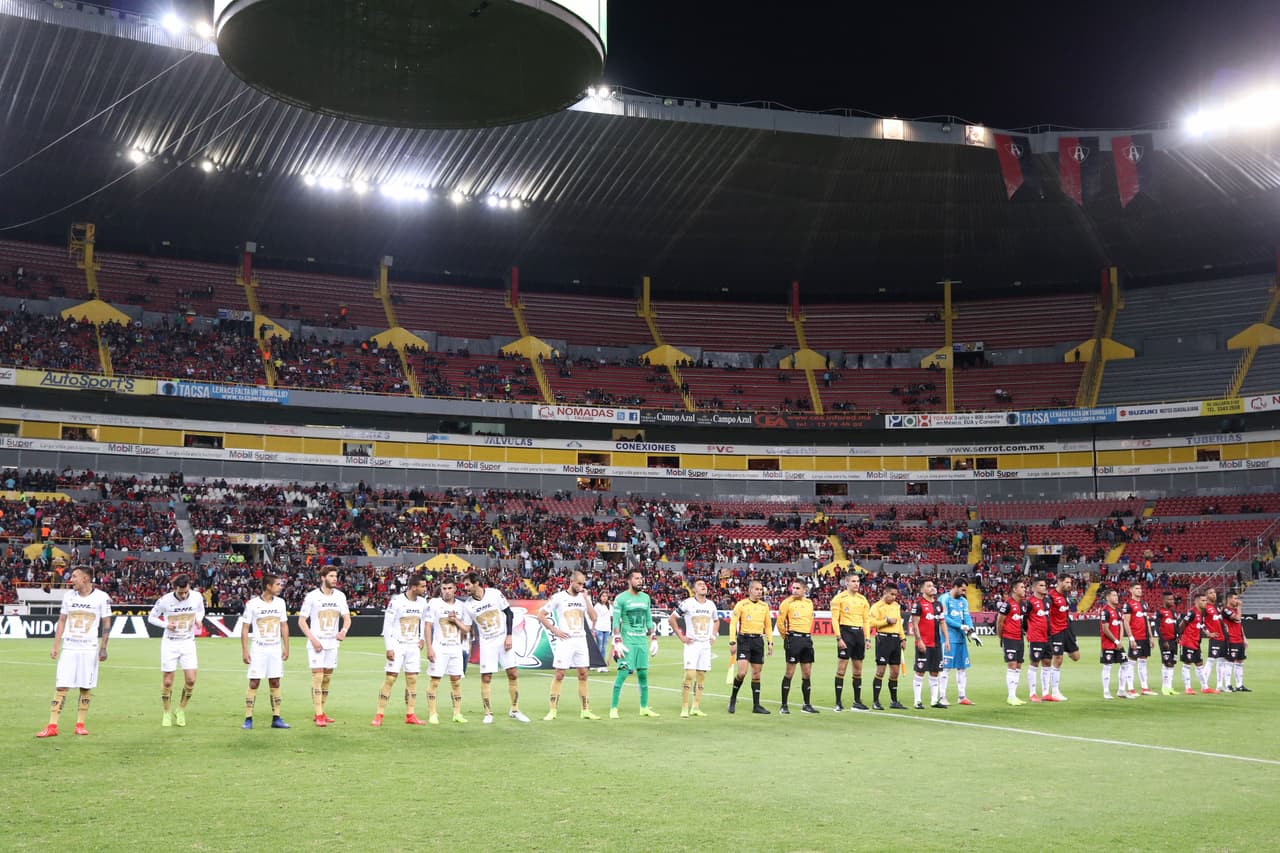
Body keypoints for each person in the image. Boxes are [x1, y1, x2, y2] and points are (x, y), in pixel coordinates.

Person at [36, 566, 111, 738]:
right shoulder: (68, 596)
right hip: (69, 647)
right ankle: (52, 725)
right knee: (61, 685)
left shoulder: (101, 598)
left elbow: (106, 624)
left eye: (75, 576)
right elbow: (62, 621)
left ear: (85, 578)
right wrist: (56, 646)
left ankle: (80, 724)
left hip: (89, 648)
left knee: (85, 686)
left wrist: (104, 648)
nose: (72, 579)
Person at [462, 571, 531, 724]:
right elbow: (466, 628)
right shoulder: (468, 605)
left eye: (467, 584)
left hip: (503, 640)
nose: (465, 588)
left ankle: (515, 709)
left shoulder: (494, 594)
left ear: (477, 583)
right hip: (487, 644)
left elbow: (509, 614)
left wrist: (509, 636)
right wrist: (454, 621)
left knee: (513, 674)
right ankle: (488, 713)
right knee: (486, 677)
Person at [537, 570, 599, 720]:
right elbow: (541, 615)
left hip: (581, 640)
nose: (581, 586)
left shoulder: (584, 597)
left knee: (583, 674)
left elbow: (594, 617)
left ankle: (585, 710)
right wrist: (554, 630)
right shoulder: (559, 597)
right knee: (559, 674)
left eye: (583, 584)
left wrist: (587, 599)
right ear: (571, 582)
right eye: (579, 583)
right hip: (565, 641)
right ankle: (552, 710)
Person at [147, 573, 205, 727]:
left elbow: (200, 610)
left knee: (191, 679)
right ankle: (166, 713)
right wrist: (165, 625)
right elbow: (151, 618)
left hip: (188, 642)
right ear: (174, 589)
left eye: (186, 591)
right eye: (181, 592)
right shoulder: (164, 601)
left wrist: (199, 620)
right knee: (167, 681)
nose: (184, 595)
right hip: (170, 644)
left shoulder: (197, 596)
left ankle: (180, 710)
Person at [297, 567, 352, 727]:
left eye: (336, 576)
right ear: (322, 577)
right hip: (317, 643)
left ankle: (321, 711)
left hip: (332, 644)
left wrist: (343, 631)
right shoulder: (312, 597)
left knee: (327, 678)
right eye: (331, 576)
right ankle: (319, 714)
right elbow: (302, 621)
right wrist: (313, 640)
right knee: (318, 677)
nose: (335, 579)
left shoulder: (340, 596)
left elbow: (347, 619)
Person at [373, 572, 429, 726]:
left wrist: (421, 638)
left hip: (413, 646)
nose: (425, 589)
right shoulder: (396, 602)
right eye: (422, 586)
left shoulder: (423, 603)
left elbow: (423, 620)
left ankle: (410, 714)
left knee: (412, 680)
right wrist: (389, 647)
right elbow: (387, 625)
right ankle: (379, 714)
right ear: (413, 587)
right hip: (397, 644)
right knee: (390, 679)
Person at [240, 573, 290, 730]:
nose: (280, 587)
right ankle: (248, 718)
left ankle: (277, 717)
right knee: (254, 682)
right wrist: (245, 650)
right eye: (277, 584)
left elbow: (284, 625)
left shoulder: (280, 603)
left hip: (274, 648)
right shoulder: (253, 604)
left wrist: (286, 646)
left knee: (275, 681)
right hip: (259, 648)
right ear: (268, 586)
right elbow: (245, 627)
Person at [610, 569, 660, 718]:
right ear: (629, 581)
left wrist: (653, 635)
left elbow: (649, 618)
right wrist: (617, 639)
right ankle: (613, 708)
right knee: (623, 674)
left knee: (643, 675)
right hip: (627, 642)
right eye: (637, 578)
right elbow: (616, 620)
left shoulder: (645, 598)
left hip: (641, 642)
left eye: (641, 578)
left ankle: (644, 707)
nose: (640, 581)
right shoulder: (621, 598)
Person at [424, 577, 473, 724]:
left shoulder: (462, 606)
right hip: (439, 648)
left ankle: (457, 713)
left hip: (455, 649)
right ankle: (433, 713)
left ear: (455, 589)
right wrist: (430, 648)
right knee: (434, 681)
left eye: (449, 588)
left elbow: (467, 628)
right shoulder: (434, 603)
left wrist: (455, 620)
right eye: (444, 588)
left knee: (456, 682)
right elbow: (427, 626)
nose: (446, 591)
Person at [670, 579, 719, 717]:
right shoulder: (688, 603)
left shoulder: (711, 605)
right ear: (694, 590)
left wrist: (713, 636)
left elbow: (716, 621)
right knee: (690, 675)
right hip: (692, 644)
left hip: (705, 645)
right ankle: (684, 707)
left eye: (704, 584)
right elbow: (672, 618)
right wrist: (681, 636)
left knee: (701, 676)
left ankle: (695, 707)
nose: (704, 586)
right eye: (700, 585)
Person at [728, 580, 773, 715]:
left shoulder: (764, 606)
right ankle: (733, 698)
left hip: (758, 641)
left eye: (761, 589)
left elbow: (768, 626)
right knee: (742, 672)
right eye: (757, 589)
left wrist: (770, 642)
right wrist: (732, 641)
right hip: (744, 640)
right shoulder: (741, 605)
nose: (760, 592)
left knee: (756, 674)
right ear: (750, 590)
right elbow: (733, 623)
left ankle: (756, 705)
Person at [776, 578, 819, 714]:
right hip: (793, 639)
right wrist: (787, 637)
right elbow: (780, 623)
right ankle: (784, 705)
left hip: (806, 639)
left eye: (797, 588)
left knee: (806, 674)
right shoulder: (786, 603)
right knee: (789, 673)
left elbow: (810, 620)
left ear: (804, 590)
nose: (794, 590)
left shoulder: (809, 603)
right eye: (793, 588)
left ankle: (807, 705)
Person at [830, 572, 871, 711]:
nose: (856, 584)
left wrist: (867, 638)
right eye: (853, 581)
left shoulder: (863, 599)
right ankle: (837, 702)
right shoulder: (839, 598)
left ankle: (857, 701)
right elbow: (834, 619)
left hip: (858, 634)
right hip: (846, 633)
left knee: (858, 670)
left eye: (858, 581)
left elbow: (866, 620)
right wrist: (839, 637)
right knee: (841, 669)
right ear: (846, 583)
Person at [909, 579, 949, 709]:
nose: (932, 588)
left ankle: (933, 700)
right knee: (920, 671)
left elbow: (942, 622)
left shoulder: (938, 605)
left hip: (936, 644)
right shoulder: (919, 605)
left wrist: (947, 640)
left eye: (932, 585)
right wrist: (919, 640)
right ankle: (917, 701)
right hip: (923, 643)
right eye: (928, 586)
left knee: (935, 671)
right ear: (922, 590)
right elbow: (914, 624)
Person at [868, 585, 907, 710]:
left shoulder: (896, 606)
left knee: (895, 672)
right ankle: (875, 701)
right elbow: (871, 623)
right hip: (883, 639)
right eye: (892, 594)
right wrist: (887, 621)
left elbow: (899, 623)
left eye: (896, 595)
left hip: (895, 640)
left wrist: (903, 638)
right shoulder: (876, 606)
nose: (894, 597)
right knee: (881, 671)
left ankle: (894, 701)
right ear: (885, 593)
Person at [940, 577, 975, 706]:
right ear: (955, 586)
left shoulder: (963, 601)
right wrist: (960, 626)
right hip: (948, 637)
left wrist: (972, 630)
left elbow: (967, 616)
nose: (964, 592)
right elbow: (944, 618)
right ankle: (942, 696)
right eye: (962, 589)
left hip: (961, 638)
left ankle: (962, 696)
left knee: (962, 667)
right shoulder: (944, 599)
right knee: (946, 667)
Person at [1046, 575, 1080, 701]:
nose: (1069, 584)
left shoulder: (1065, 595)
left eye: (1070, 582)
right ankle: (1055, 691)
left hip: (1067, 629)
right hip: (1056, 631)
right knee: (1058, 660)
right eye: (1067, 582)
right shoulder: (1051, 596)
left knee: (1076, 657)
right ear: (1059, 582)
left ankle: (1062, 650)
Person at [995, 577, 1027, 706]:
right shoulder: (1007, 604)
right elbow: (999, 621)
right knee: (1012, 665)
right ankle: (1011, 696)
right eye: (1022, 587)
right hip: (1009, 638)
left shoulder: (1023, 604)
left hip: (1019, 638)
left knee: (1018, 666)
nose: (1024, 589)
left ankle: (1014, 695)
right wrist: (1001, 637)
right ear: (1015, 589)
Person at [1122, 581, 1156, 696]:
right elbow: (1126, 622)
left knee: (1143, 662)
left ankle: (1144, 688)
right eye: (1137, 588)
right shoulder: (1128, 604)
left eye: (1140, 588)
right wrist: (1131, 638)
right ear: (1131, 590)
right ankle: (1130, 689)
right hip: (1136, 637)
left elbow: (1146, 621)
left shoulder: (1144, 604)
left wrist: (1151, 637)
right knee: (1131, 662)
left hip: (1145, 637)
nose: (1139, 590)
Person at [1176, 592, 1214, 694]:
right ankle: (1188, 688)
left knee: (1200, 664)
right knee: (1187, 664)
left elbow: (1200, 625)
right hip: (1188, 642)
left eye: (1206, 600)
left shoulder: (1202, 613)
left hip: (1196, 643)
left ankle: (1205, 687)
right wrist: (1178, 636)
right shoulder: (1192, 612)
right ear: (1196, 601)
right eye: (1203, 600)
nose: (1205, 602)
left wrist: (1207, 633)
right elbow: (1182, 624)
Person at [1098, 588, 1132, 700]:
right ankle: (1106, 691)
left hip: (1118, 644)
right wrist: (1116, 641)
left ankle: (1121, 690)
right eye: (1113, 595)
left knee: (1125, 664)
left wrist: (1121, 640)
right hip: (1108, 644)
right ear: (1107, 597)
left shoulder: (1118, 611)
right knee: (1107, 666)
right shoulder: (1105, 611)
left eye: (1116, 595)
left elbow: (1121, 626)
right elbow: (1105, 629)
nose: (1116, 597)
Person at [1024, 577, 1052, 702]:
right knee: (1034, 663)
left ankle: (1046, 693)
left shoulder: (1047, 601)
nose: (1044, 587)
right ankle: (1032, 693)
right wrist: (1028, 631)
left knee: (1047, 663)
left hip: (1048, 636)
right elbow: (1024, 619)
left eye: (1044, 585)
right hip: (1035, 637)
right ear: (1034, 587)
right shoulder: (1029, 602)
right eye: (1041, 585)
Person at [1220, 591, 1250, 692]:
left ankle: (1239, 685)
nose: (1237, 601)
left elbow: (1239, 624)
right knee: (1230, 662)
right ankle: (1228, 684)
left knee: (1240, 661)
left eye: (1237, 598)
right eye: (1235, 598)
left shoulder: (1234, 609)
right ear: (1229, 599)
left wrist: (1244, 638)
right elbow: (1237, 618)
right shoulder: (1225, 610)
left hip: (1239, 639)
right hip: (1231, 639)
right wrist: (1240, 607)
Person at [1154, 590, 1179, 695]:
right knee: (1166, 663)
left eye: (1172, 599)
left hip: (1174, 641)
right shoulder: (1160, 612)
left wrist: (1178, 636)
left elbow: (1176, 626)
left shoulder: (1173, 612)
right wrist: (1163, 640)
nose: (1172, 601)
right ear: (1164, 600)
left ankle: (1170, 687)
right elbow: (1157, 627)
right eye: (1169, 599)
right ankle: (1164, 687)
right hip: (1165, 641)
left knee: (1172, 664)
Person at [1203, 588, 1228, 692]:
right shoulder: (1205, 608)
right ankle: (1204, 685)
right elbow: (1200, 622)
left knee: (1221, 661)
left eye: (1214, 592)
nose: (1214, 594)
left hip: (1222, 637)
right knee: (1210, 660)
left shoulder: (1216, 607)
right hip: (1215, 638)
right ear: (1206, 596)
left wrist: (1224, 625)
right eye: (1210, 593)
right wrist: (1207, 633)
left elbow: (1219, 619)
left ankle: (1219, 685)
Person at [593, 592, 612, 673]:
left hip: (606, 629)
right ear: (600, 597)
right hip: (599, 628)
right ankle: (598, 664)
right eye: (603, 596)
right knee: (599, 646)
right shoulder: (597, 606)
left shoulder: (609, 606)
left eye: (606, 596)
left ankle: (602, 665)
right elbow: (594, 617)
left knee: (603, 647)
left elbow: (611, 617)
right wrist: (593, 628)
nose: (604, 598)